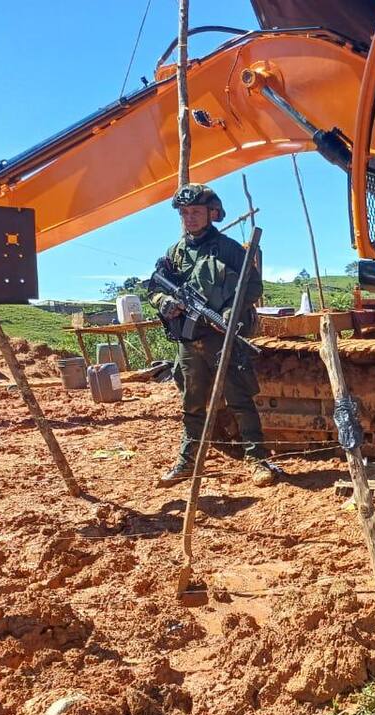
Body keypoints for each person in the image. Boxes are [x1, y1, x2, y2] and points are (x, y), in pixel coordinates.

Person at [151, 183, 280, 488]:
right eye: (184, 213)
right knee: (191, 404)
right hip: (188, 339)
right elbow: (154, 287)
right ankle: (188, 462)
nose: (189, 218)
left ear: (213, 213)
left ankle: (257, 458)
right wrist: (164, 302)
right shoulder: (175, 253)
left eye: (195, 212)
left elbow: (253, 287)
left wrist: (230, 312)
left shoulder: (229, 249)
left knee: (240, 398)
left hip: (221, 338)